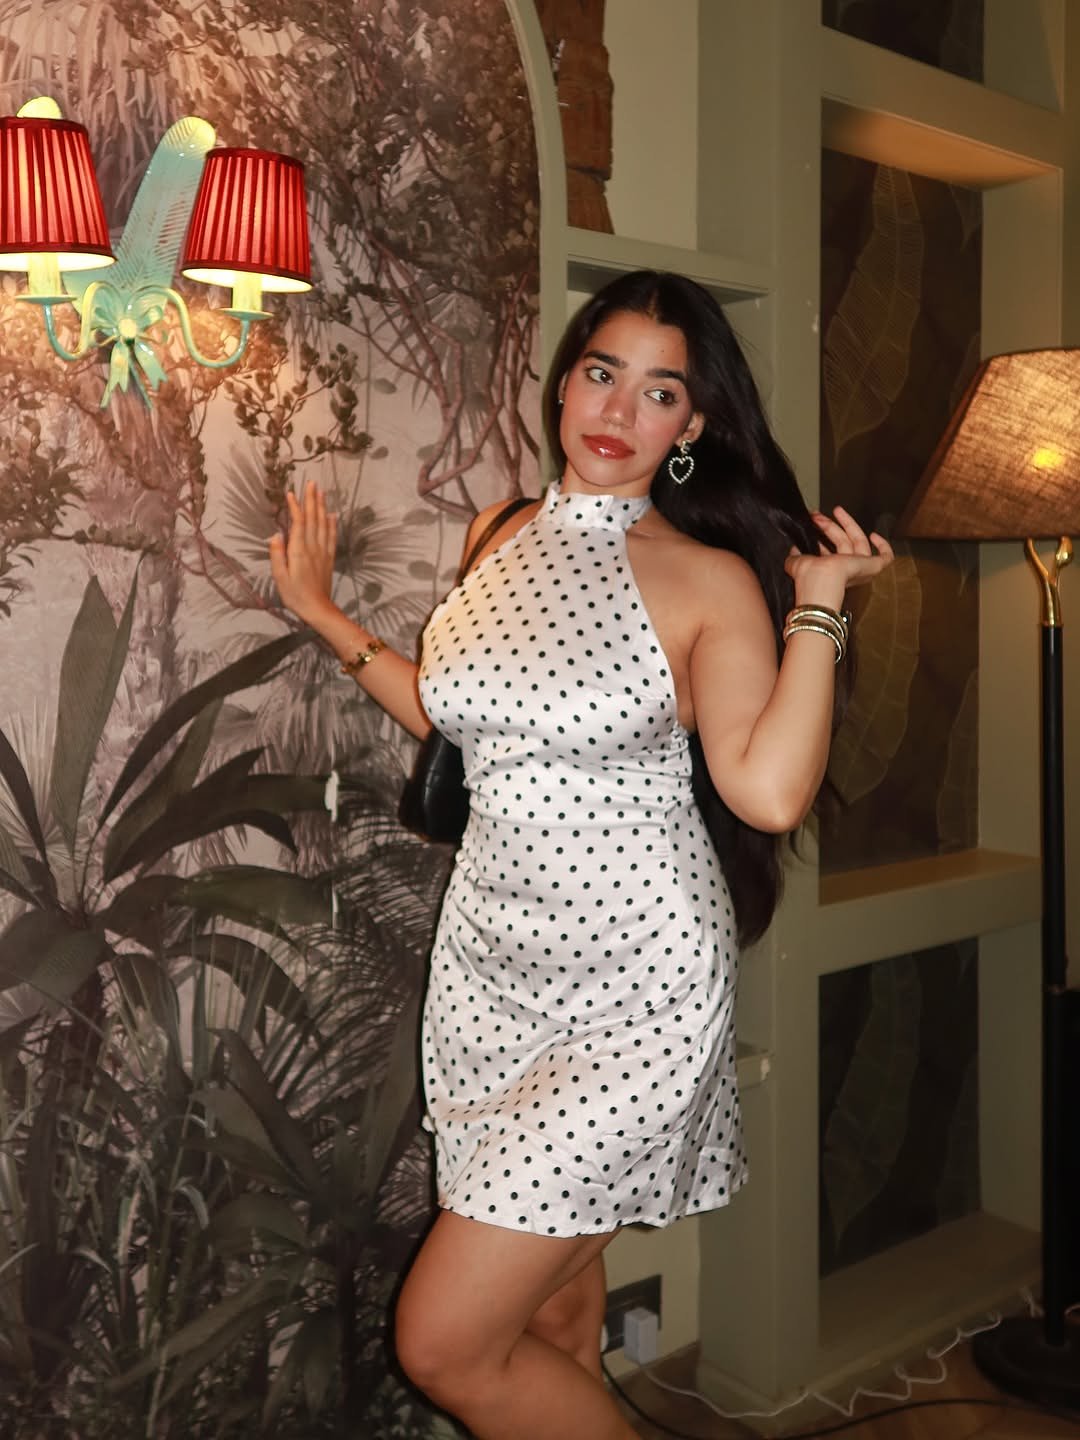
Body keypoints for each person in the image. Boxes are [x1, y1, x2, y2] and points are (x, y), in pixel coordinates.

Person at [270, 270, 893, 1440]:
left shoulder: (707, 578)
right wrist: (322, 612)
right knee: (553, 1324)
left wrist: (819, 602)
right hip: (490, 981)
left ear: (692, 426)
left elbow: (766, 790)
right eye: (604, 373)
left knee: (442, 1344)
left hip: (634, 992)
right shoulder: (500, 533)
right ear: (565, 383)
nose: (619, 410)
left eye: (661, 392)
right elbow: (462, 720)